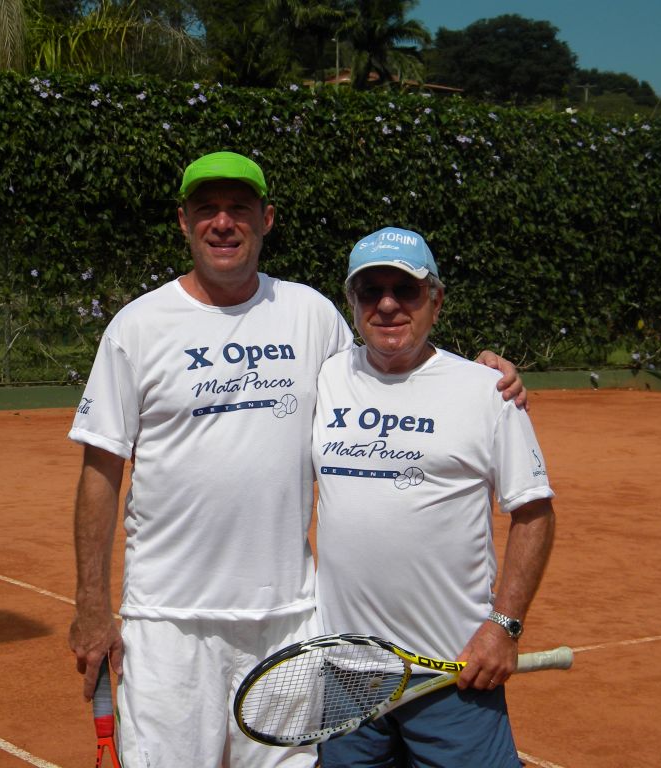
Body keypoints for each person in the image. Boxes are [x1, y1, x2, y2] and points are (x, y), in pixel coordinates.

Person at [67, 152, 527, 768]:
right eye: (207, 209)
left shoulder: (310, 314)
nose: (223, 223)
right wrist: (91, 605)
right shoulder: (136, 327)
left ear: (266, 219)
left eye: (239, 209)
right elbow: (100, 472)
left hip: (289, 625)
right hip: (168, 622)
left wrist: (479, 372)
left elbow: (387, 364)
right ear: (183, 221)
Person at [313, 227, 556, 768]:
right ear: (352, 302)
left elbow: (534, 512)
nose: (388, 304)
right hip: (348, 674)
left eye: (406, 289)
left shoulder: (485, 390)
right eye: (370, 291)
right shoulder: (324, 377)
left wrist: (504, 626)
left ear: (436, 300)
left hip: (454, 672)